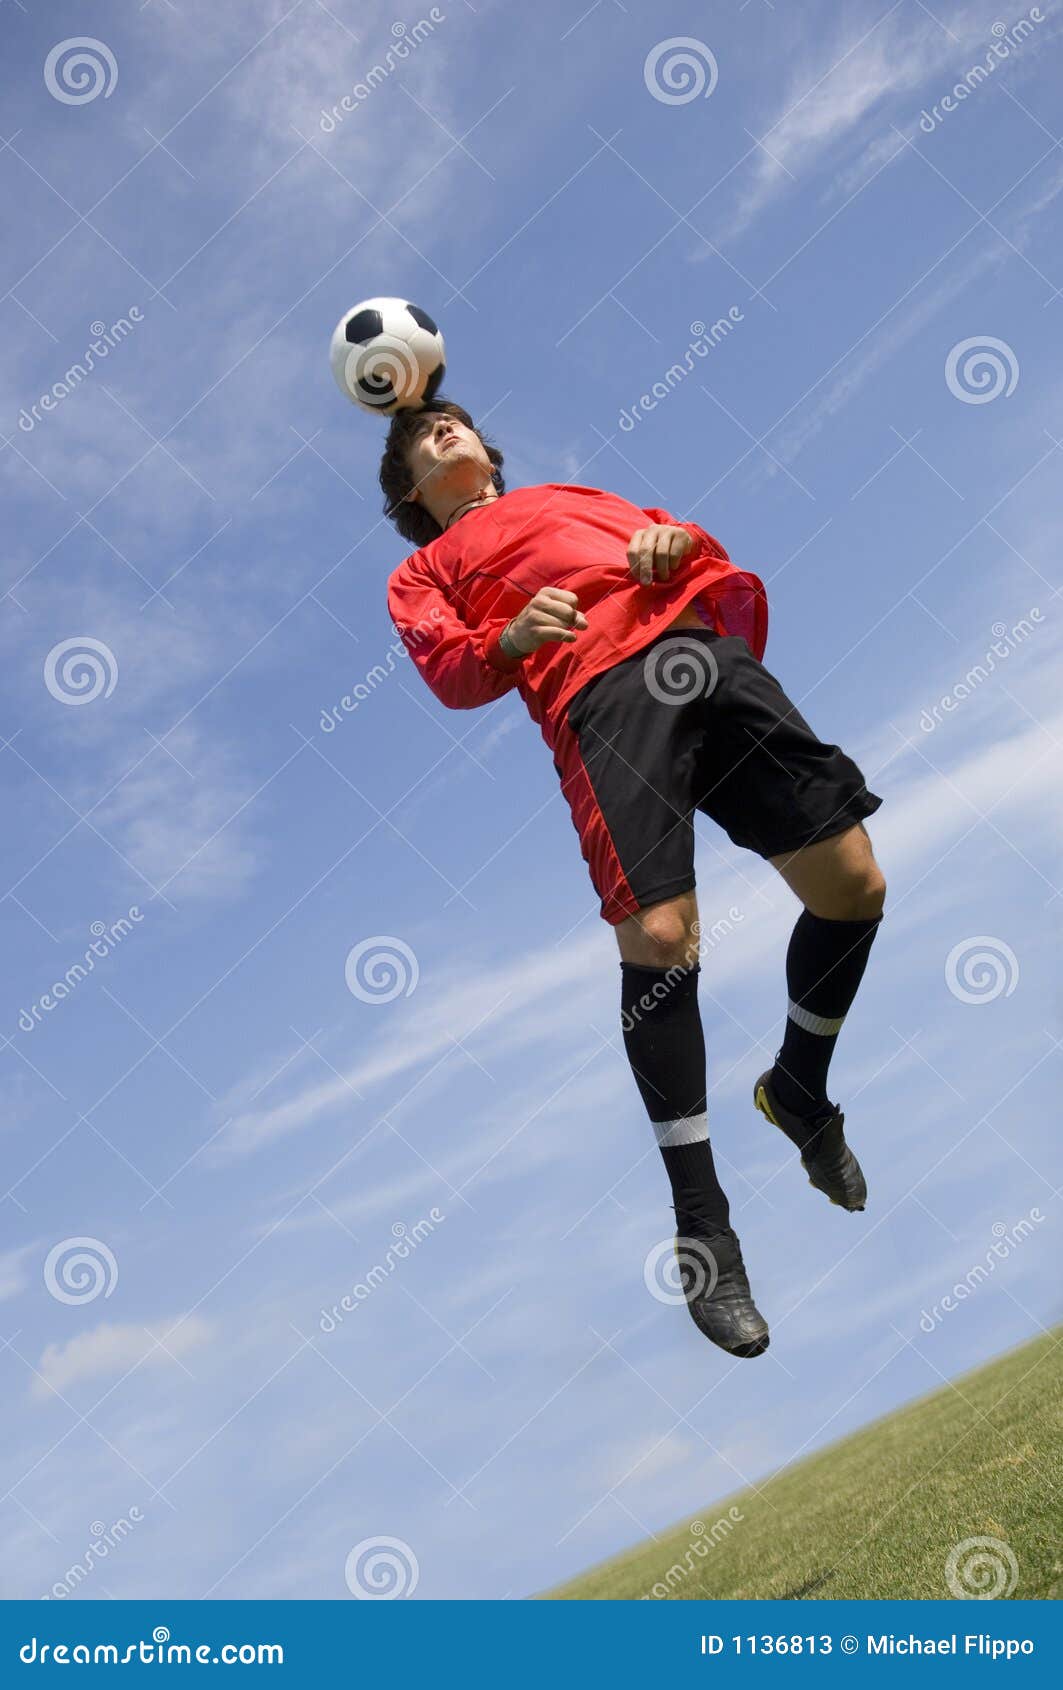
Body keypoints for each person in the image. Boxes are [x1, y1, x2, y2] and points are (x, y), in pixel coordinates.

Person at [383, 399, 886, 1359]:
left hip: (698, 657)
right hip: (596, 698)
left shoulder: (579, 493)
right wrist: (511, 637)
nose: (443, 428)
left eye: (453, 420)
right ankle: (705, 1228)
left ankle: (799, 1091)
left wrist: (667, 541)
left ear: (488, 449)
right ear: (413, 487)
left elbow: (687, 542)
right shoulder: (419, 570)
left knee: (853, 884)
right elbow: (450, 669)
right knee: (658, 940)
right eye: (420, 434)